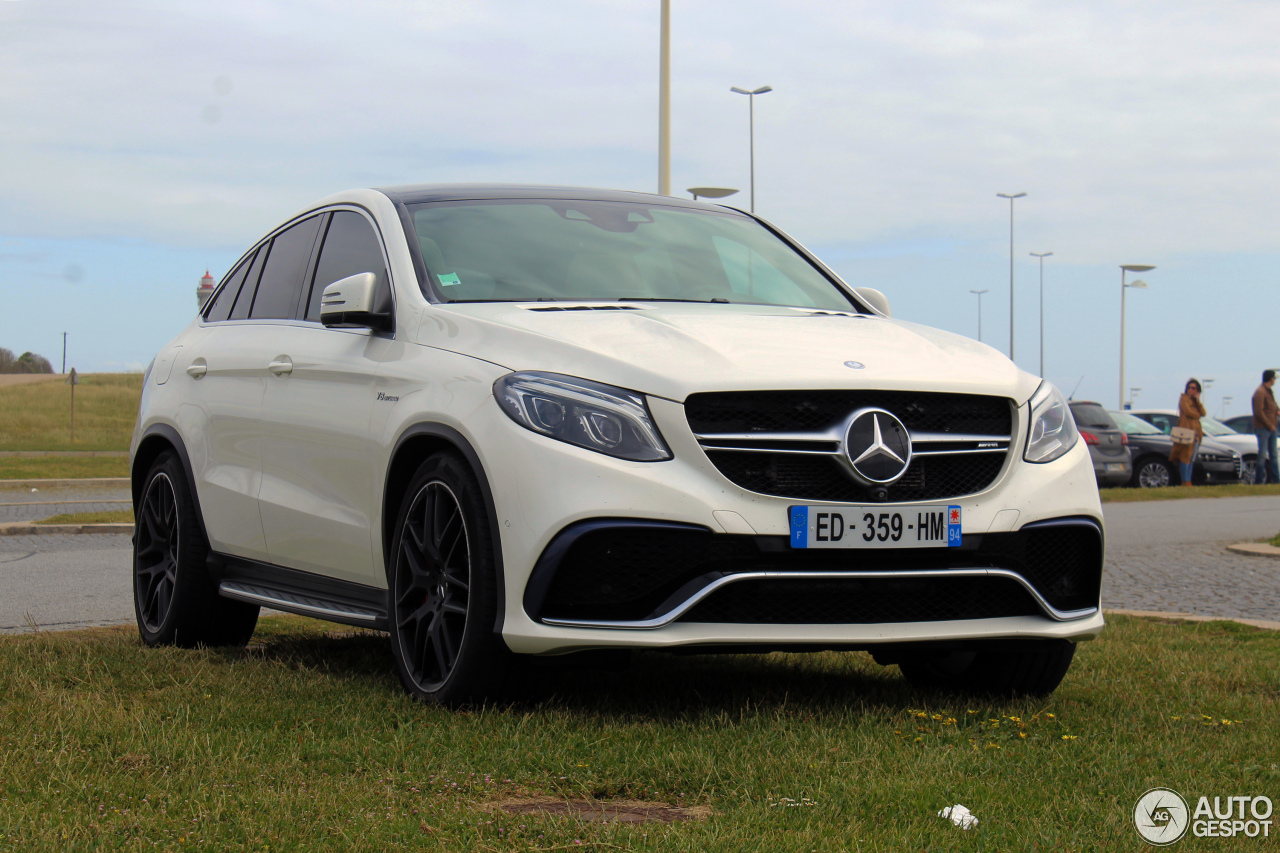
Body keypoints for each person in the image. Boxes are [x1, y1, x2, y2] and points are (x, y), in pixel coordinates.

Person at [1168, 378, 1205, 486]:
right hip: (1186, 432)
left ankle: (1189, 480)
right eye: (1188, 387)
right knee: (1185, 457)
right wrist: (1197, 413)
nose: (1190, 390)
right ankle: (1185, 481)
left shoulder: (1195, 401)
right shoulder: (1184, 399)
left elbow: (1203, 412)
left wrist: (1197, 401)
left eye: (1193, 388)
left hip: (1196, 433)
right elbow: (1190, 412)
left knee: (1191, 458)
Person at [1252, 369, 1279, 484]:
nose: (1275, 380)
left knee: (1273, 455)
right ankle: (1259, 481)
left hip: (1272, 428)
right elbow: (1258, 412)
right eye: (1274, 378)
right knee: (1262, 455)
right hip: (1263, 428)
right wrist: (1269, 425)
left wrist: (1277, 411)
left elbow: (1273, 406)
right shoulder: (1260, 392)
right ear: (1270, 379)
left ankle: (1276, 480)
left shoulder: (1269, 392)